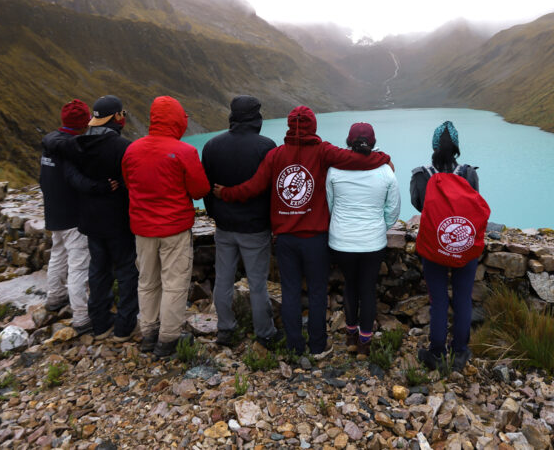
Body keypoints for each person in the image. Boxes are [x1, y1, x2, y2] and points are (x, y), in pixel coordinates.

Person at [214, 106, 392, 356]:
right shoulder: (323, 151)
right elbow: (355, 159)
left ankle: (294, 346)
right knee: (318, 293)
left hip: (285, 240)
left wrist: (226, 193)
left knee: (290, 293)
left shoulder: (276, 155)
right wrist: (383, 158)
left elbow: (252, 188)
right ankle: (318, 346)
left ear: (289, 125)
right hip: (315, 240)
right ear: (314, 126)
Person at [122, 95, 211, 358]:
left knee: (147, 281)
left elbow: (129, 182)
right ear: (177, 121)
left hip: (142, 228)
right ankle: (169, 339)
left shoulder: (132, 149)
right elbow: (200, 189)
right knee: (174, 283)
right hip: (174, 228)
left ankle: (148, 333)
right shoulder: (185, 152)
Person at [201, 95, 279, 349]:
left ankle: (225, 330)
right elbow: (272, 190)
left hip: (224, 226)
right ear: (256, 117)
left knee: (223, 279)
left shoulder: (212, 146)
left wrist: (215, 214)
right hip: (255, 227)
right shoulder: (266, 147)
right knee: (257, 284)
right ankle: (265, 333)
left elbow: (206, 188)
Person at [410, 120, 486, 371]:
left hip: (434, 246)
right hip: (465, 247)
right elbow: (474, 206)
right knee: (463, 298)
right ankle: (460, 352)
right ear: (457, 147)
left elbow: (418, 205)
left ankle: (436, 352)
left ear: (433, 146)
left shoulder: (421, 175)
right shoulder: (469, 173)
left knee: (439, 299)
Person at [326, 122, 400, 356]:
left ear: (349, 142)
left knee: (350, 285)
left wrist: (339, 226)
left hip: (342, 241)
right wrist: (380, 227)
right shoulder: (386, 170)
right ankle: (364, 344)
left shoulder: (334, 170)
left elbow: (329, 205)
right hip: (372, 242)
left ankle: (350, 337)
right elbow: (393, 208)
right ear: (373, 143)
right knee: (367, 288)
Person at [70, 95, 138, 341]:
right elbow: (133, 183)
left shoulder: (77, 146)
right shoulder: (123, 147)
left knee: (98, 271)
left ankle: (99, 324)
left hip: (90, 221)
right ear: (117, 117)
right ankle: (124, 326)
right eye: (123, 114)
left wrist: (94, 187)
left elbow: (73, 178)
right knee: (127, 272)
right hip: (119, 221)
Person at [39, 99, 97, 334]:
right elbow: (78, 180)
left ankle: (54, 297)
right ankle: (81, 317)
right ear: (84, 122)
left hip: (54, 211)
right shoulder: (72, 148)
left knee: (58, 254)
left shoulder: (50, 144)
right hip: (73, 214)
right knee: (78, 265)